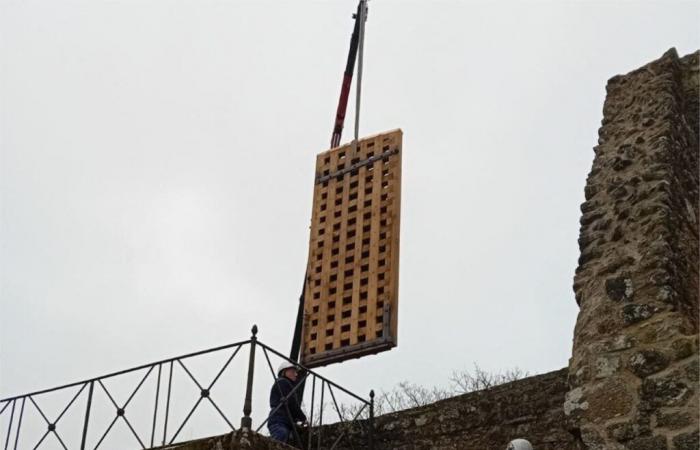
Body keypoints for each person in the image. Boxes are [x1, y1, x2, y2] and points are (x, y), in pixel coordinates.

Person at [267, 361, 307, 443]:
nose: (296, 374)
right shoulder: (282, 382)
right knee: (281, 436)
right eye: (293, 372)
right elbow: (292, 403)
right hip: (279, 420)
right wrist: (303, 418)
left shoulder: (288, 386)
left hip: (285, 421)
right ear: (284, 372)